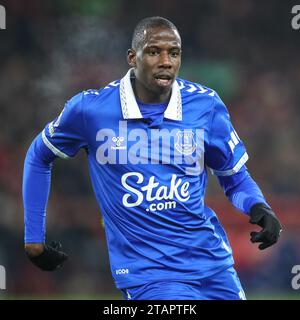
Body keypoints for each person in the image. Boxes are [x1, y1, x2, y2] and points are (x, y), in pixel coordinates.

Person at [23, 16, 282, 300]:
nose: (165, 61)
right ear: (132, 58)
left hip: (214, 267)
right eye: (153, 51)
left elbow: (234, 177)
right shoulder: (91, 110)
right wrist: (33, 238)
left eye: (174, 53)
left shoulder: (205, 106)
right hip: (150, 278)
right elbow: (39, 156)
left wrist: (259, 207)